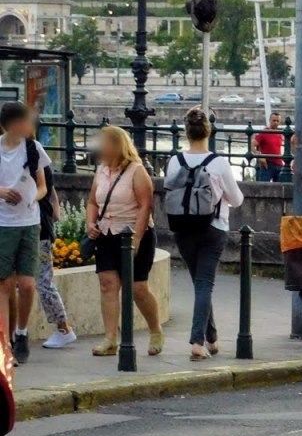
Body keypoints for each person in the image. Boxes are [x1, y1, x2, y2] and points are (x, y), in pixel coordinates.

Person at [165, 108, 244, 360]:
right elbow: (237, 199)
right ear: (208, 132)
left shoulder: (175, 161)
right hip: (213, 228)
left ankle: (211, 338)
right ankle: (197, 343)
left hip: (182, 228)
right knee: (204, 285)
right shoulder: (218, 163)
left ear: (186, 133)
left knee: (199, 283)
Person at [85, 125, 164, 357]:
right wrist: (90, 224)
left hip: (133, 233)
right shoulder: (100, 170)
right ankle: (110, 338)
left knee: (138, 288)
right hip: (106, 233)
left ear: (118, 145)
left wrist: (136, 239)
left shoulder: (136, 171)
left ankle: (155, 331)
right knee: (107, 284)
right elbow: (92, 202)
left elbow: (145, 206)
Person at [0, 102, 49, 371]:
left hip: (29, 221)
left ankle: (21, 331)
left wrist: (34, 197)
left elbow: (42, 186)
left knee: (28, 284)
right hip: (3, 222)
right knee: (4, 286)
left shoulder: (32, 148)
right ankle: (5, 343)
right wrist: (3, 192)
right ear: (10, 124)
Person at [31, 122, 75, 350]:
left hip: (36, 226)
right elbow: (51, 187)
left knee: (42, 280)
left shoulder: (31, 151)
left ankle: (64, 327)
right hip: (38, 223)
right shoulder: (33, 150)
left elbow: (44, 187)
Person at [251, 111, 285, 182]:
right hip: (267, 164)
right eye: (274, 120)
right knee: (264, 187)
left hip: (279, 164)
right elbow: (252, 145)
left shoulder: (279, 134)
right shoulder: (264, 132)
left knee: (279, 188)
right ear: (270, 121)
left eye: (277, 121)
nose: (276, 122)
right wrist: (260, 156)